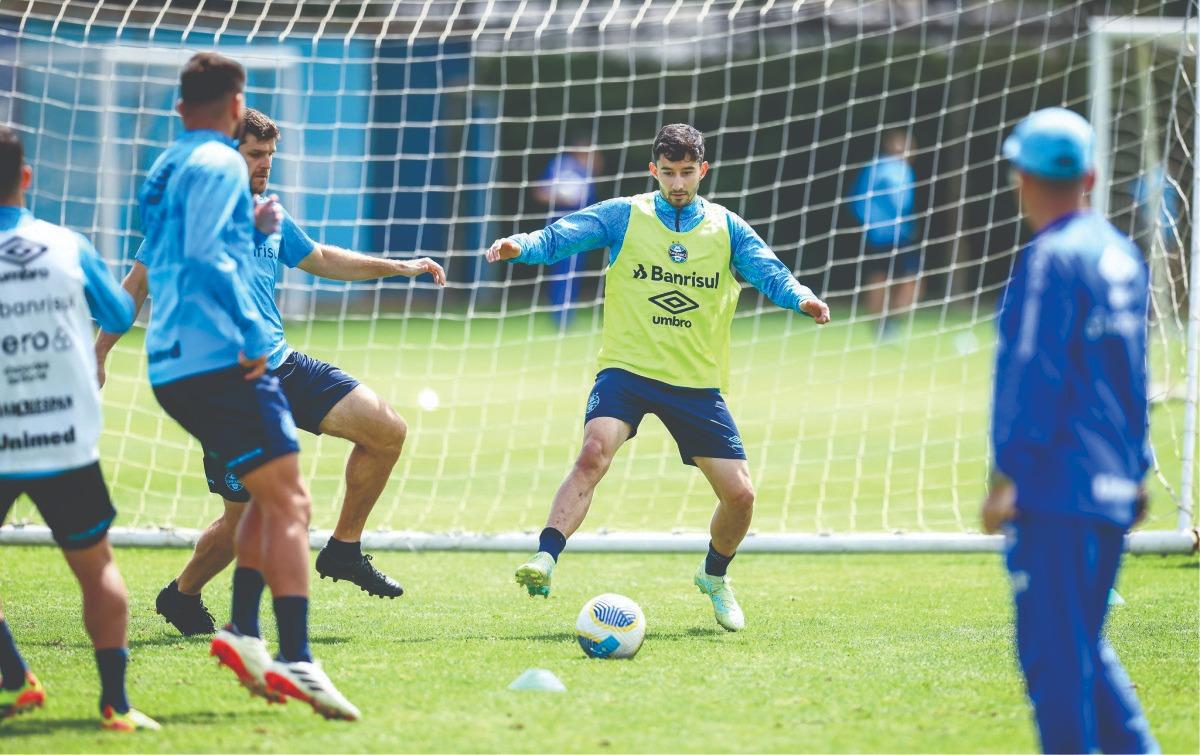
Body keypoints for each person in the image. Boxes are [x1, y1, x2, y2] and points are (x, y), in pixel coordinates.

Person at [95, 107, 445, 637]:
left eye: (269, 157)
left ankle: (345, 549)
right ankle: (184, 594)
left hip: (282, 365)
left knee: (387, 430)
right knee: (248, 519)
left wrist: (399, 267)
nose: (265, 166)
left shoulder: (270, 212)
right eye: (255, 155)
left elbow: (322, 258)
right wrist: (98, 353)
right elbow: (136, 286)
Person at [485, 124, 830, 632]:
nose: (677, 183)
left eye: (687, 172)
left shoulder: (726, 227)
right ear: (654, 171)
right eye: (668, 173)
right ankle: (546, 558)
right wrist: (521, 244)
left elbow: (769, 271)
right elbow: (562, 235)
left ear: (703, 171)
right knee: (593, 452)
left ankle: (715, 576)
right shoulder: (626, 215)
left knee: (741, 497)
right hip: (627, 369)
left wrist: (801, 297)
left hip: (694, 382)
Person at [134, 52, 358, 720]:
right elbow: (208, 261)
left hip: (170, 363)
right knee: (292, 505)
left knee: (270, 497)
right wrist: (246, 337)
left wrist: (250, 228)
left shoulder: (167, 166)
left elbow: (176, 253)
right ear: (236, 108)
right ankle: (291, 653)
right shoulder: (223, 164)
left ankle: (242, 629)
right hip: (224, 358)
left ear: (181, 109)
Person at [983, 107, 1158, 753]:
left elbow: (1035, 372)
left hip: (1057, 489)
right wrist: (1137, 467)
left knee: (1056, 663)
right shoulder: (1122, 254)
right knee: (1085, 645)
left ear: (1021, 178)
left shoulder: (1050, 259)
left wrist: (1007, 474)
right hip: (1113, 484)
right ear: (1089, 175)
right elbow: (1133, 375)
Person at [0, 126, 158, 731]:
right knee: (97, 567)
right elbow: (119, 312)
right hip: (62, 437)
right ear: (27, 178)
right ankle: (116, 705)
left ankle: (15, 677)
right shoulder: (65, 245)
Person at [849, 130, 919, 339]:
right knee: (881, 278)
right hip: (880, 235)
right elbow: (858, 199)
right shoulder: (878, 168)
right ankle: (880, 326)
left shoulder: (905, 170)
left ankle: (890, 323)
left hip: (902, 234)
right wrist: (869, 223)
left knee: (908, 281)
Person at [531, 137, 601, 329]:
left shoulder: (585, 173)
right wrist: (561, 196)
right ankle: (560, 316)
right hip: (560, 229)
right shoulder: (563, 168)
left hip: (582, 231)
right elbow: (539, 191)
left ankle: (565, 315)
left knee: (571, 273)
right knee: (562, 273)